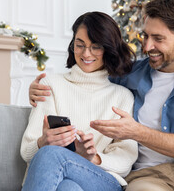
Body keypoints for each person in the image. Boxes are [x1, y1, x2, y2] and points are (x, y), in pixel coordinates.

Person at [29, 0, 174, 191]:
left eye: (158, 39)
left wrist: (137, 132)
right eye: (145, 36)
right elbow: (89, 80)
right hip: (148, 177)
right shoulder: (128, 74)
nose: (147, 47)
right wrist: (37, 90)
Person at [21, 11, 138, 191]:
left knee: (52, 155)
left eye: (96, 47)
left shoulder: (122, 96)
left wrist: (93, 157)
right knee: (68, 188)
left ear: (108, 48)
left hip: (102, 181)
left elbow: (125, 159)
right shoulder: (50, 85)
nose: (86, 53)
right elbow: (26, 151)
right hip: (55, 179)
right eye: (80, 45)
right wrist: (42, 143)